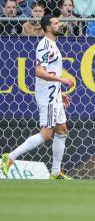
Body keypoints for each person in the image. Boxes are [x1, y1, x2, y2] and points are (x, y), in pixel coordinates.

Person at [2, 14, 75, 179]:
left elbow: (50, 71)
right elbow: (39, 71)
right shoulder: (44, 45)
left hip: (54, 93)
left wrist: (59, 91)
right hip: (48, 97)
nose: (60, 25)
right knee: (47, 134)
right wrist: (62, 80)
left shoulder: (53, 44)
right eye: (56, 23)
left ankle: (56, 172)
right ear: (48, 27)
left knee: (62, 130)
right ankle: (9, 157)